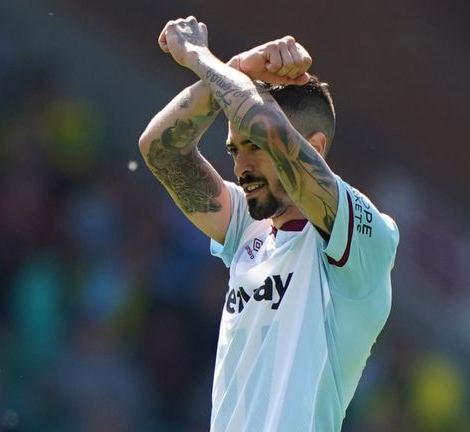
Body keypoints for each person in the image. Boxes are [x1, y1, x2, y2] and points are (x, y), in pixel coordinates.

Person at [138, 17, 399, 432]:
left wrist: (200, 57)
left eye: (254, 148)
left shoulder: (368, 240)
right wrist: (239, 68)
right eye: (234, 149)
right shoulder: (248, 227)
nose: (240, 165)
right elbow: (161, 151)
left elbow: (269, 125)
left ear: (313, 148)